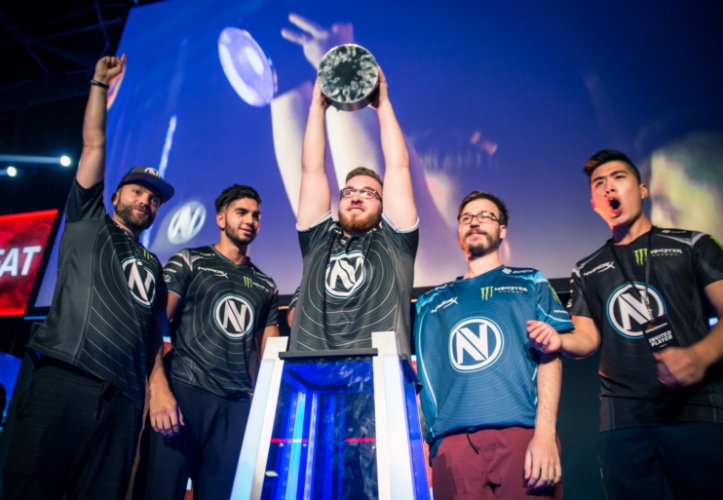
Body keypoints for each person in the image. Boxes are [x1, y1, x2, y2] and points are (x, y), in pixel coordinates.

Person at [2, 55, 174, 499]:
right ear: (115, 196)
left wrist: (152, 388)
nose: (145, 200)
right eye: (137, 190)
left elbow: (152, 337)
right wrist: (99, 85)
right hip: (65, 377)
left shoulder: (154, 265)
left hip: (123, 400)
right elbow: (94, 145)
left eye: (154, 199)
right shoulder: (88, 220)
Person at [528, 149, 723, 499]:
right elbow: (586, 338)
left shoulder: (692, 245)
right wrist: (560, 341)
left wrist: (700, 355)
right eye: (599, 184)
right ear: (594, 204)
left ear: (642, 189)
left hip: (696, 412)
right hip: (623, 421)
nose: (608, 187)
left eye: (618, 178)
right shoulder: (587, 268)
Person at [414, 191, 570, 499]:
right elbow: (426, 378)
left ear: (502, 230)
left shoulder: (530, 281)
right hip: (453, 445)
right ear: (459, 230)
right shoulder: (429, 302)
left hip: (522, 436)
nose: (475, 222)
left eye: (485, 215)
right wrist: (432, 446)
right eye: (467, 217)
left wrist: (545, 434)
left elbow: (550, 356)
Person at [142, 185, 280, 499]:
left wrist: (265, 407)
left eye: (256, 215)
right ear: (220, 219)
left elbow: (269, 354)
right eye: (241, 212)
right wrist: (159, 389)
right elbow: (154, 325)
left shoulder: (266, 285)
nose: (250, 220)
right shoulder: (190, 261)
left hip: (235, 407)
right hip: (183, 394)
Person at [289, 69, 418, 354]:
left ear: (384, 206)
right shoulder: (318, 240)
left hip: (377, 371)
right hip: (310, 372)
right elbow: (312, 170)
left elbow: (398, 167)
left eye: (369, 193)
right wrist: (316, 106)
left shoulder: (395, 243)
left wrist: (382, 103)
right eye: (349, 192)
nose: (357, 197)